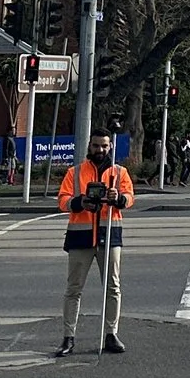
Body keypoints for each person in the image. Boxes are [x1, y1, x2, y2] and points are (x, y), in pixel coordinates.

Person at [55, 133, 135, 356]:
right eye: (96, 145)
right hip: (81, 237)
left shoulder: (119, 173)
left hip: (110, 235)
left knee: (113, 287)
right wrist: (80, 202)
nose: (100, 149)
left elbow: (129, 198)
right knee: (73, 289)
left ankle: (111, 334)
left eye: (104, 146)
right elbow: (62, 200)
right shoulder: (76, 172)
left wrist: (118, 198)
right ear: (89, 146)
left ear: (110, 147)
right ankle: (68, 337)